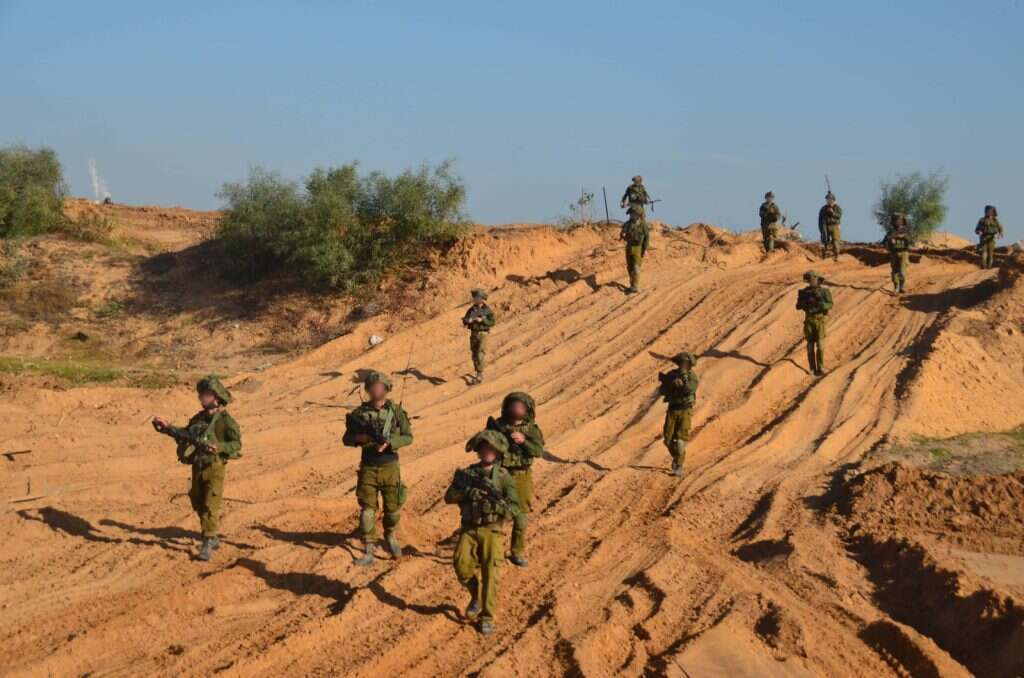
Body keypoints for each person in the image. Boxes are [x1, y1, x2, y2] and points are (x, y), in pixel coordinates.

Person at [152, 376, 242, 561]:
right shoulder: (199, 418)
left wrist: (220, 447)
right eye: (201, 394)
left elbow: (236, 444)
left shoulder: (226, 421)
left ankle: (208, 540)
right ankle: (212, 534)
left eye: (206, 394)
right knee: (198, 500)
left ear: (216, 397)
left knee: (211, 503)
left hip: (214, 467)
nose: (202, 398)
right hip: (198, 465)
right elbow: (186, 434)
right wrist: (167, 428)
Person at [445, 430, 522, 635]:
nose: (488, 452)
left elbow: (515, 507)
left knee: (491, 574)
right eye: (484, 448)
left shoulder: (504, 477)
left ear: (496, 453)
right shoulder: (468, 475)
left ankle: (487, 616)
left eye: (492, 449)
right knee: (461, 566)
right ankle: (476, 596)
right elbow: (449, 497)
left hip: (492, 531)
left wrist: (494, 507)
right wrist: (466, 492)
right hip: (469, 529)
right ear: (478, 451)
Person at [342, 371, 413, 566]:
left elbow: (408, 437)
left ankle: (390, 536)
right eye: (373, 387)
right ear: (368, 390)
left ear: (386, 388)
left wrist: (390, 443)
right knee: (367, 510)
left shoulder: (396, 412)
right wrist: (361, 439)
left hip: (390, 467)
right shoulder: (360, 414)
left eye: (380, 387)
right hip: (369, 467)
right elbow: (346, 439)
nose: (376, 390)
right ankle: (369, 548)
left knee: (393, 510)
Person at [485, 392, 545, 567]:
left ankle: (516, 552)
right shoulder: (498, 426)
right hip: (500, 474)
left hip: (521, 476)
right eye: (513, 406)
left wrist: (524, 441)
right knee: (495, 514)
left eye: (520, 407)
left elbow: (538, 451)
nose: (516, 410)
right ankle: (491, 551)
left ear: (528, 410)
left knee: (521, 517)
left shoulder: (531, 429)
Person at [657, 353, 699, 477]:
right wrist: (671, 384)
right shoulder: (671, 375)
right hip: (672, 410)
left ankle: (679, 465)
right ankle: (677, 459)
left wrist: (683, 381)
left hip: (685, 411)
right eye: (681, 363)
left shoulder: (692, 377)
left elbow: (690, 389)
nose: (682, 366)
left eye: (685, 364)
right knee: (668, 440)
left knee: (681, 441)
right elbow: (662, 391)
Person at [795, 271, 833, 376]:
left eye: (813, 279)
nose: (812, 281)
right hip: (809, 320)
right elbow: (798, 306)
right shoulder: (805, 292)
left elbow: (830, 304)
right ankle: (812, 368)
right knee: (810, 345)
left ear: (817, 279)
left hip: (820, 321)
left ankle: (820, 367)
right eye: (810, 280)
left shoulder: (824, 291)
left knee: (820, 345)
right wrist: (806, 301)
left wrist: (821, 303)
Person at [462, 289, 496, 383]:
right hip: (474, 333)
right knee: (474, 354)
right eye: (474, 298)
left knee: (480, 353)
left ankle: (480, 374)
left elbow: (492, 322)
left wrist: (483, 320)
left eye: (476, 298)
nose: (474, 299)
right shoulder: (472, 309)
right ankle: (477, 371)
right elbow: (465, 319)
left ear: (481, 299)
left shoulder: (487, 310)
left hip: (483, 334)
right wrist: (467, 321)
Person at [620, 206, 649, 294]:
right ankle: (632, 284)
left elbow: (647, 237)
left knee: (636, 267)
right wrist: (623, 234)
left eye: (634, 214)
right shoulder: (627, 224)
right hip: (629, 247)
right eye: (631, 214)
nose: (632, 215)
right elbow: (622, 232)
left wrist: (645, 248)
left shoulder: (643, 224)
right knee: (630, 267)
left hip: (638, 248)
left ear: (638, 215)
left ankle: (635, 286)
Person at [883, 214, 912, 294]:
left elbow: (910, 241)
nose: (898, 222)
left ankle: (902, 286)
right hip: (894, 253)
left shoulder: (906, 230)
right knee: (895, 271)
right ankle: (896, 287)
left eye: (900, 220)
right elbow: (884, 242)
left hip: (904, 253)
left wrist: (905, 239)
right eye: (896, 220)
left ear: (903, 221)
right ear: (893, 222)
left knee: (902, 272)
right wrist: (890, 241)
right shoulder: (891, 232)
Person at [975, 205, 1004, 270]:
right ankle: (984, 265)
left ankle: (989, 267)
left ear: (993, 212)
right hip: (984, 237)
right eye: (988, 211)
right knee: (984, 252)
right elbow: (977, 229)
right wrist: (979, 232)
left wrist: (1000, 234)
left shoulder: (995, 221)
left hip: (992, 238)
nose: (989, 212)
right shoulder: (982, 220)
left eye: (991, 211)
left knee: (990, 254)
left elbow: (1000, 228)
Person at [818, 192, 843, 260]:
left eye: (830, 199)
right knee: (824, 241)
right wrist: (821, 229)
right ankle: (824, 256)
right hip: (825, 226)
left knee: (835, 241)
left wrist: (832, 212)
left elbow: (839, 216)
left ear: (833, 200)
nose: (828, 201)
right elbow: (820, 219)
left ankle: (836, 255)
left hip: (835, 226)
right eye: (827, 200)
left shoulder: (837, 208)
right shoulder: (823, 209)